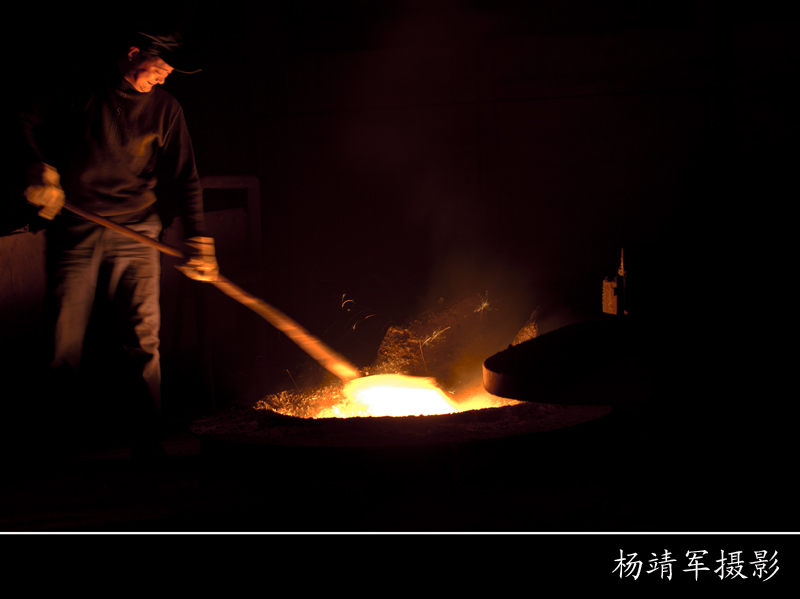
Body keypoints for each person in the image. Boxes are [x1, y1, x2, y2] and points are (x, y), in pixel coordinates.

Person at [20, 29, 218, 464]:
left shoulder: (166, 109)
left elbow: (187, 177)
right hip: (76, 227)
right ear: (132, 54)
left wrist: (200, 239)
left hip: (138, 232)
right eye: (160, 68)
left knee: (143, 340)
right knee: (63, 341)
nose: (164, 79)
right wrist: (37, 167)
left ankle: (147, 442)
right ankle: (56, 448)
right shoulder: (79, 90)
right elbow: (21, 117)